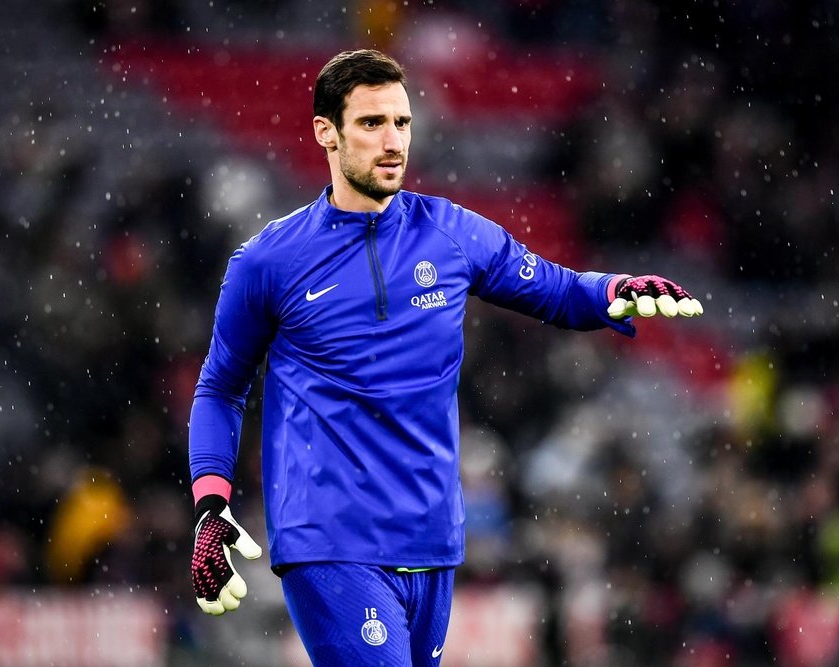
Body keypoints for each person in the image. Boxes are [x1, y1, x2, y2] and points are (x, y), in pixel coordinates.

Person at [188, 48, 703, 666]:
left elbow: (558, 291)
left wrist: (616, 293)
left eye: (402, 123)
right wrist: (210, 505)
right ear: (326, 132)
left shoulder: (451, 233)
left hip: (432, 539)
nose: (392, 141)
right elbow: (220, 388)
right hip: (330, 539)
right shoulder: (268, 261)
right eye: (371, 123)